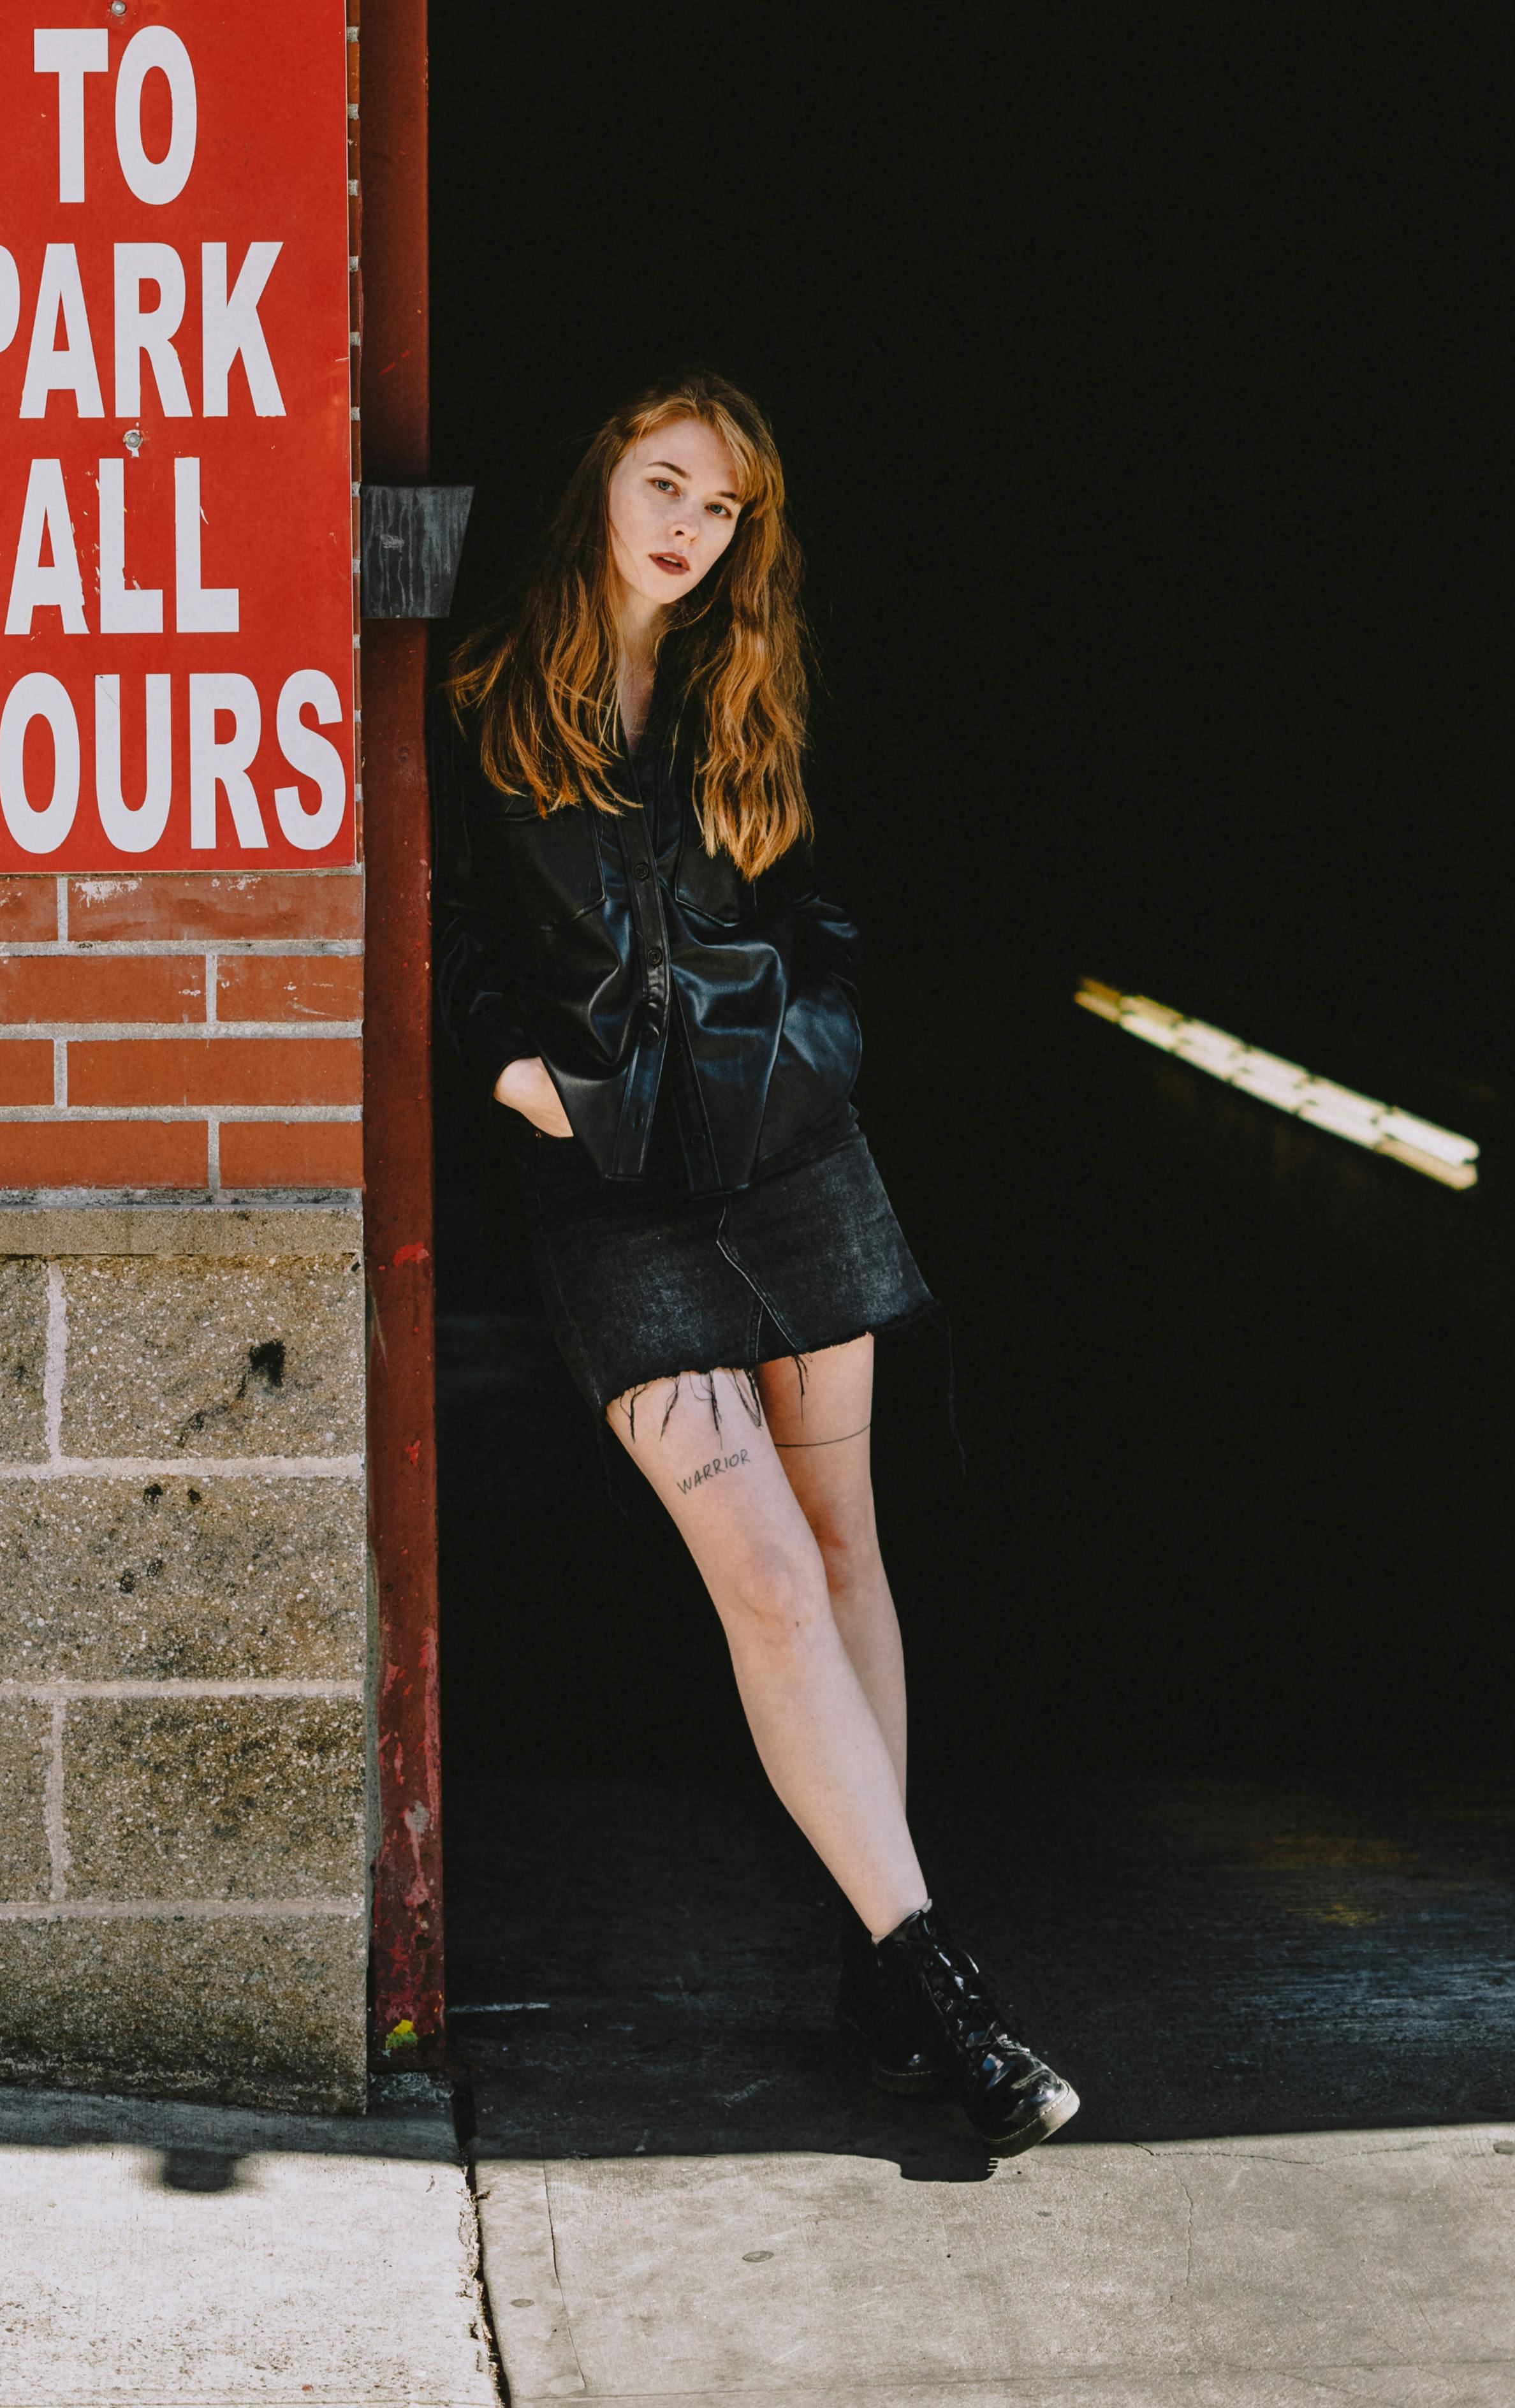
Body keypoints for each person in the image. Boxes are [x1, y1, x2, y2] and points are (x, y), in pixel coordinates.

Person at [430, 373, 1078, 2156]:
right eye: (664, 486)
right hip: (614, 1191)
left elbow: (829, 914)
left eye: (721, 511)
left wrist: (815, 1046)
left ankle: (886, 1963)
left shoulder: (746, 688)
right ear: (604, 486)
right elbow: (440, 924)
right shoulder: (487, 689)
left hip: (790, 1159)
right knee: (771, 1578)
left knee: (852, 1549)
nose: (688, 530)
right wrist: (515, 1077)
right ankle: (937, 1983)